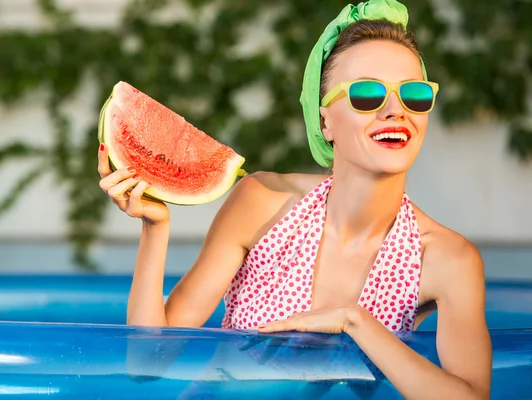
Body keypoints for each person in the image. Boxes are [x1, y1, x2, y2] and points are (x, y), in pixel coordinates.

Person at [98, 0, 492, 398]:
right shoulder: (262, 203)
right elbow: (147, 364)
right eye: (368, 94)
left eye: (415, 95)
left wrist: (356, 322)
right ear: (325, 121)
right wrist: (155, 226)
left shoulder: (447, 260)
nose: (396, 110)